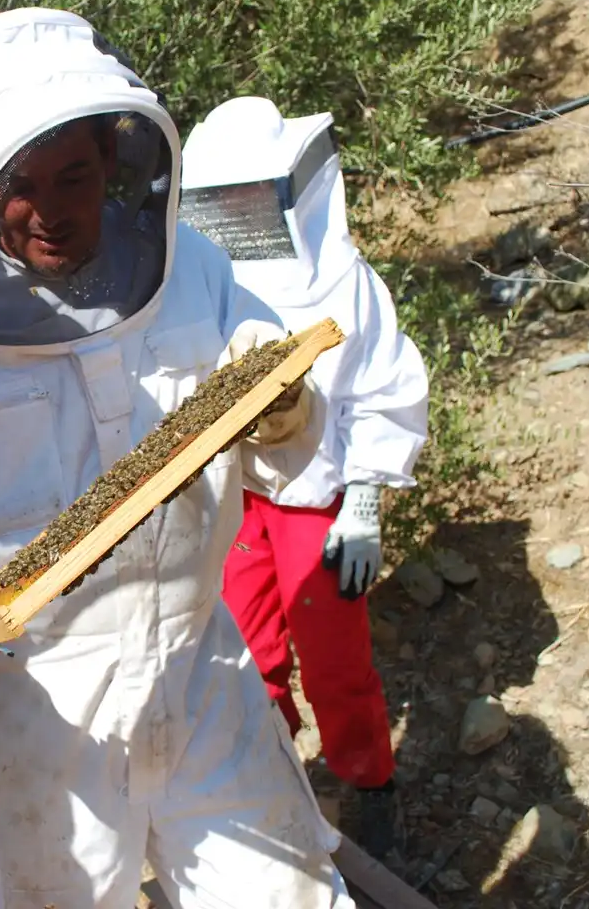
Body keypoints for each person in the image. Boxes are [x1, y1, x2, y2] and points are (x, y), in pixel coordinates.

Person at [0, 9, 356, 909]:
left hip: (198, 669)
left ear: (117, 167)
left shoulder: (195, 275)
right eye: (19, 185)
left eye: (77, 176)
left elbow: (278, 399)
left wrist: (282, 408)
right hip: (33, 712)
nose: (50, 210)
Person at [179, 96, 430, 858]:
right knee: (245, 654)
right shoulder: (202, 283)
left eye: (251, 196)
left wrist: (363, 501)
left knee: (335, 660)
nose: (241, 212)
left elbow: (383, 389)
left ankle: (369, 784)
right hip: (236, 500)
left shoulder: (347, 283)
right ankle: (272, 786)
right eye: (224, 200)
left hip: (317, 500)